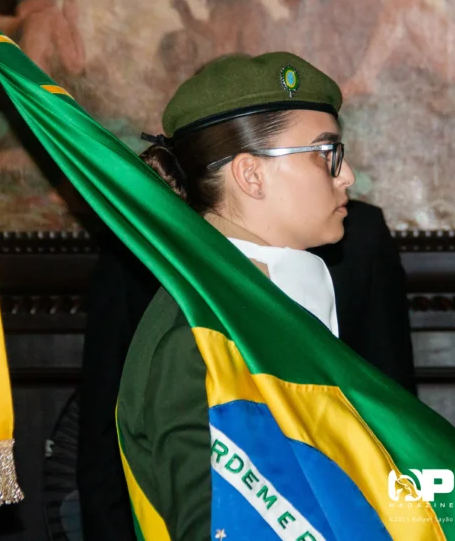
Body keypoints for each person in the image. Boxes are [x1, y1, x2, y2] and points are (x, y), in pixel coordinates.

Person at [113, 52, 367, 538]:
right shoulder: (199, 336)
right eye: (326, 152)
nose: (347, 174)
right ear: (251, 175)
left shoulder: (260, 304)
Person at [77, 199, 416, 540]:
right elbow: (102, 433)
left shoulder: (359, 234)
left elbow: (397, 415)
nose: (344, 176)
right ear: (248, 174)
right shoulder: (143, 234)